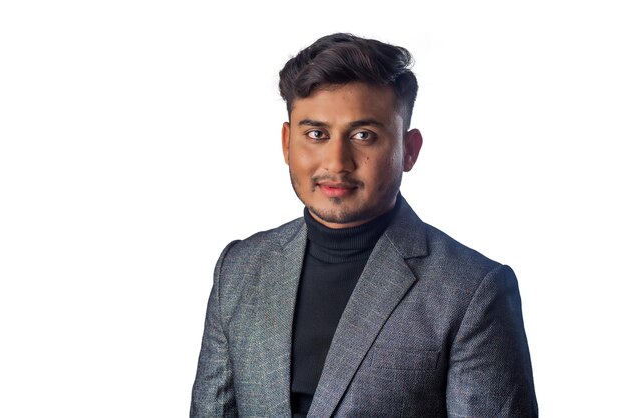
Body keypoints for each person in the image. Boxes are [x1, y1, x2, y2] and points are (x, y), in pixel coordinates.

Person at [190, 33, 537, 417]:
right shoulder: (239, 269)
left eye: (363, 135)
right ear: (288, 143)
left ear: (409, 150)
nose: (337, 162)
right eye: (316, 134)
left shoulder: (471, 291)